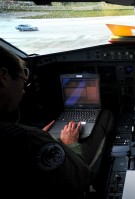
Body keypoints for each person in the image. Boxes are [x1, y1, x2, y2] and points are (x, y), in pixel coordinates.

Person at [0, 45, 114, 198]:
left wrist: (41, 138)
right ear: (3, 76)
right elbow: (78, 179)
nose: (24, 87)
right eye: (23, 77)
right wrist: (70, 144)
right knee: (106, 114)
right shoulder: (28, 138)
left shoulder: (28, 137)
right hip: (72, 180)